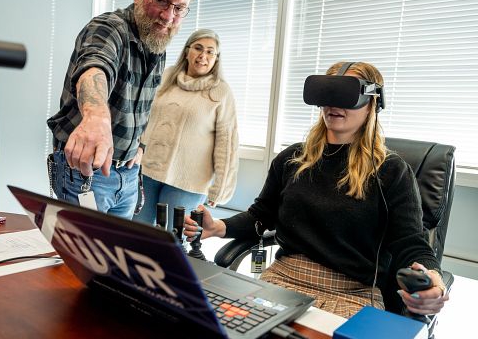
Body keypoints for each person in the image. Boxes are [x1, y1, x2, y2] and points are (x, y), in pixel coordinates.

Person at [184, 61, 449, 318]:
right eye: (327, 93)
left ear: (372, 103)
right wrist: (219, 227)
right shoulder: (293, 159)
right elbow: (260, 216)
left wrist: (433, 280)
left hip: (351, 294)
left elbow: (410, 243)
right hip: (282, 280)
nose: (333, 104)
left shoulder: (391, 171)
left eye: (345, 95)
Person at [47, 0, 194, 219]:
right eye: (160, 0)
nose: (168, 16)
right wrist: (96, 118)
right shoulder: (108, 28)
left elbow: (141, 108)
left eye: (179, 8)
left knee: (115, 258)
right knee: (87, 257)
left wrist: (140, 147)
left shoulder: (155, 42)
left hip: (127, 176)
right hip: (87, 175)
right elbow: (95, 66)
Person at [133, 29, 239, 226]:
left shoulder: (221, 92)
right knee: (137, 232)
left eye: (210, 52)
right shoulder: (165, 78)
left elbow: (227, 143)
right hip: (147, 171)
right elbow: (145, 117)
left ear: (216, 59)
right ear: (187, 51)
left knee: (172, 239)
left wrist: (221, 188)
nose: (203, 56)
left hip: (188, 181)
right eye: (198, 48)